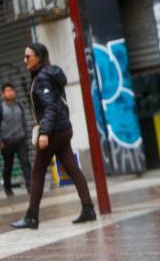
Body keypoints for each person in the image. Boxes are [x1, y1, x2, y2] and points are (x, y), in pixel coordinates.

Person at [11, 43, 96, 229]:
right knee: (72, 168)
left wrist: (44, 133)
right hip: (63, 129)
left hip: (54, 131)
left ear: (39, 57)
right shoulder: (49, 75)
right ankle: (88, 208)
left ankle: (31, 217)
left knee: (37, 172)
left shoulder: (42, 78)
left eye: (28, 56)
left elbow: (50, 106)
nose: (24, 60)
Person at [0, 82, 31, 196]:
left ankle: (30, 185)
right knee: (8, 166)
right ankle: (7, 187)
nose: (10, 93)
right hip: (7, 142)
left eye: (12, 90)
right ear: (3, 94)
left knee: (25, 162)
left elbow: (24, 122)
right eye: (7, 91)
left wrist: (26, 136)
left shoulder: (20, 106)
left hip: (20, 140)